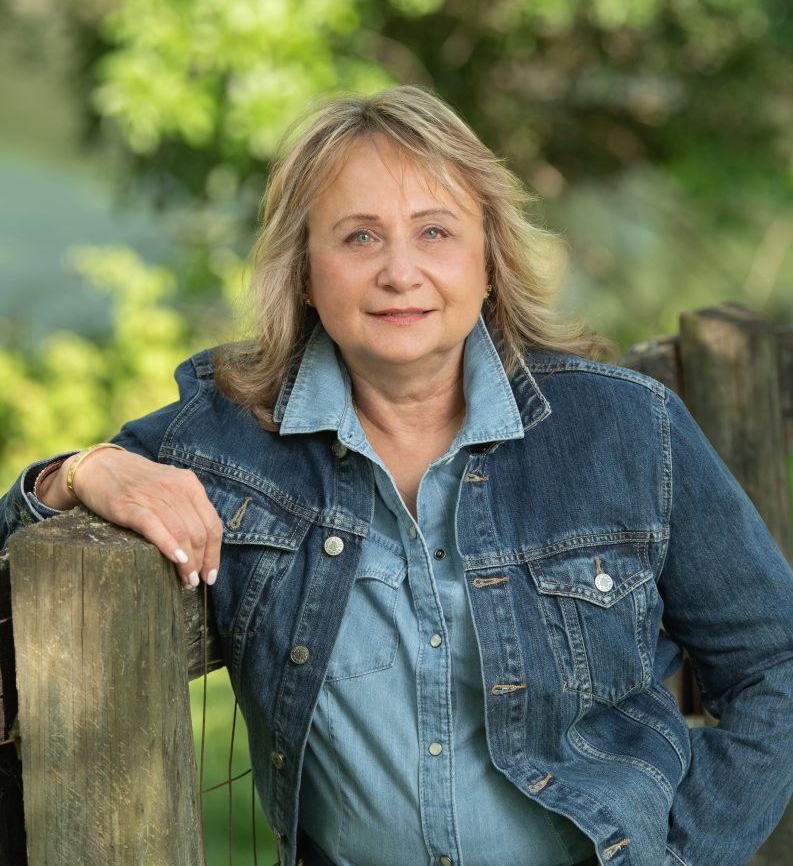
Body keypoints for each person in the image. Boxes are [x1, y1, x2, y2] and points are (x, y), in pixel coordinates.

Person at [2, 86, 792, 866]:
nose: (399, 273)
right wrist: (82, 472)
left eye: (435, 232)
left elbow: (773, 664)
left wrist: (682, 856)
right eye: (358, 238)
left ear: (488, 262)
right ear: (305, 273)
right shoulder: (229, 436)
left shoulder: (625, 428)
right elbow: (18, 543)